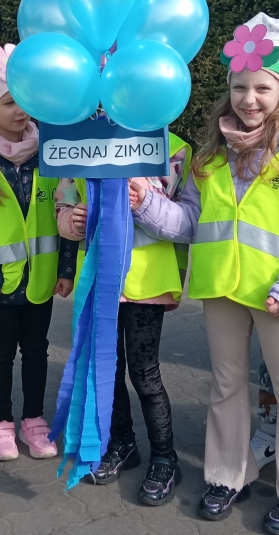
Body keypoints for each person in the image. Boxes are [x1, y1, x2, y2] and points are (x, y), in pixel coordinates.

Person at [133, 14, 279, 534]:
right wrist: (146, 204)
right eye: (240, 87)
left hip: (278, 296)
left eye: (263, 88)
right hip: (221, 287)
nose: (249, 99)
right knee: (225, 385)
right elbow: (190, 223)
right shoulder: (210, 155)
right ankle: (228, 475)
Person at [0, 43, 77, 463]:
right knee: (1, 355)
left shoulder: (52, 154)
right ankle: (2, 423)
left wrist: (65, 269)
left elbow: (65, 213)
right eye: (9, 102)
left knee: (37, 351)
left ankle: (34, 421)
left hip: (42, 279)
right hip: (0, 284)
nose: (20, 110)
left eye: (25, 100)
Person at [56, 129, 190, 505]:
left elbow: (184, 220)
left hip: (148, 281)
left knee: (145, 375)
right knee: (107, 370)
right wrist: (72, 221)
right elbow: (64, 201)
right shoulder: (83, 141)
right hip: (101, 278)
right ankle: (122, 443)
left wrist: (144, 199)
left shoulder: (174, 148)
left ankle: (165, 458)